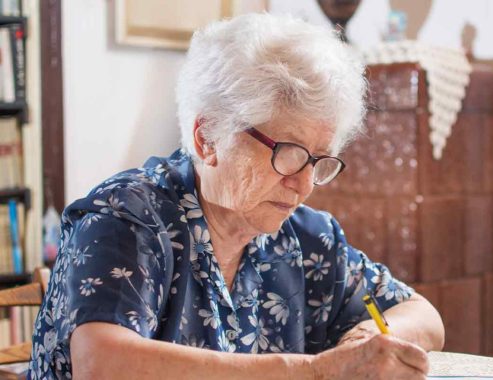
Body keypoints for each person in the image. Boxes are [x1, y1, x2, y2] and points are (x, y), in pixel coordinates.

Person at [29, 13, 444, 380]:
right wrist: (315, 373)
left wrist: (366, 339)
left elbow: (422, 317)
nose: (302, 186)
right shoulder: (126, 218)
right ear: (208, 137)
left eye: (318, 161)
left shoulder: (304, 237)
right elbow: (103, 365)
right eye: (287, 153)